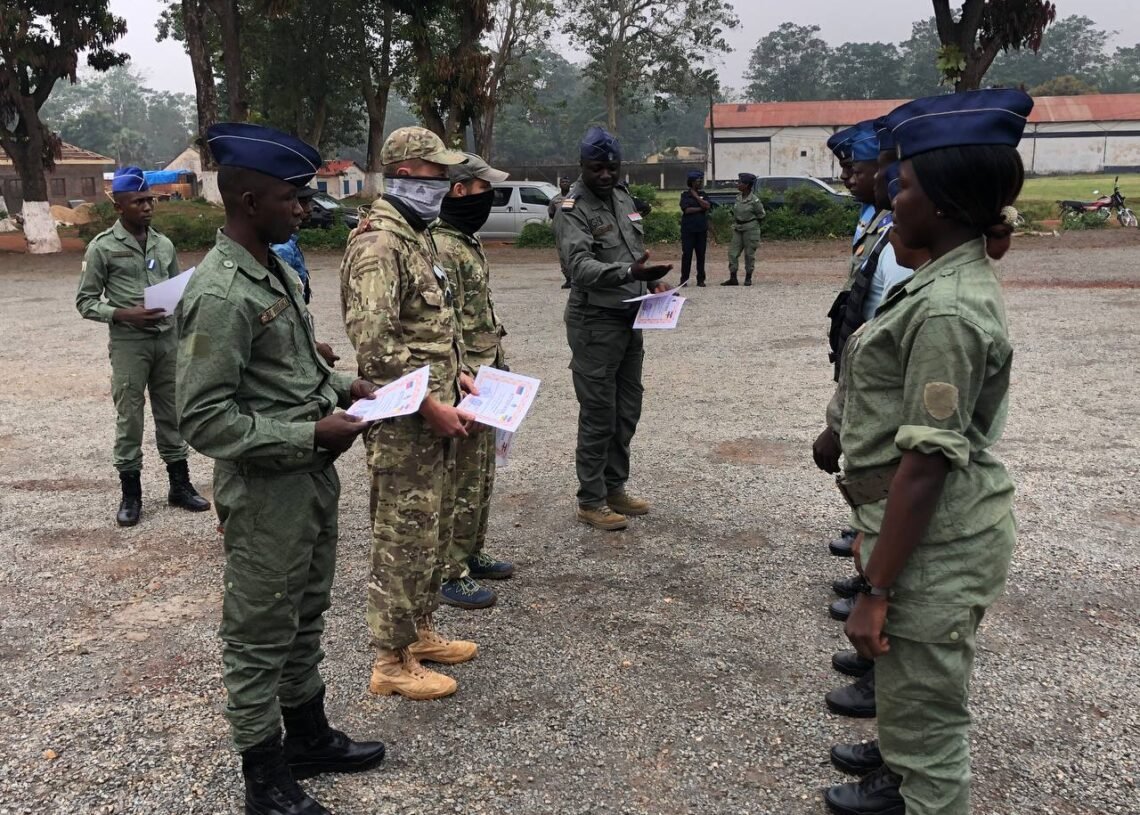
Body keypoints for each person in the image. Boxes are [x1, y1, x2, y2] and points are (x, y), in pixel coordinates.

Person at [822, 88, 1031, 815]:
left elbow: (926, 464)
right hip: (919, 533)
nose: (891, 195)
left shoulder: (947, 307)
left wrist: (874, 591)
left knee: (930, 733)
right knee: (913, 708)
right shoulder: (939, 281)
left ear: (940, 200)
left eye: (903, 184)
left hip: (935, 541)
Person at [175, 122, 386, 815]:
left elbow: (289, 375)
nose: (302, 207)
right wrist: (308, 431)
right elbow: (204, 419)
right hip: (267, 491)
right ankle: (263, 777)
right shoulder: (219, 292)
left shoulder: (272, 267)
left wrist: (343, 390)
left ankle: (308, 736)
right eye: (290, 196)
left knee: (304, 614)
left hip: (308, 479)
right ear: (245, 197)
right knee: (257, 631)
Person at [340, 126, 480, 701]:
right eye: (435, 174)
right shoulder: (379, 245)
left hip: (435, 411)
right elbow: (375, 346)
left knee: (430, 531)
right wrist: (428, 405)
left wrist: (460, 373)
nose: (445, 186)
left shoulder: (416, 237)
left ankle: (418, 634)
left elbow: (427, 328)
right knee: (401, 534)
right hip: (406, 421)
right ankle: (388, 661)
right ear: (403, 175)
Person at [76, 166, 210, 527]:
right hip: (129, 344)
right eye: (138, 201)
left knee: (172, 413)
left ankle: (179, 485)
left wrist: (187, 343)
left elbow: (178, 296)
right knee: (130, 417)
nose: (148, 206)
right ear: (119, 206)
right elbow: (85, 302)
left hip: (166, 340)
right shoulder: (103, 247)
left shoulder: (163, 244)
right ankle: (130, 494)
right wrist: (122, 313)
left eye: (149, 200)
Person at [555, 125, 672, 531]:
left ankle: (614, 485)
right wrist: (628, 271)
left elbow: (634, 251)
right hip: (595, 322)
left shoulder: (622, 196)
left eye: (612, 168)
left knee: (627, 408)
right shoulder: (572, 209)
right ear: (582, 166)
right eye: (597, 168)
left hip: (630, 315)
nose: (605, 175)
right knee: (599, 412)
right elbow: (580, 267)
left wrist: (650, 280)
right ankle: (590, 499)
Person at [433, 153, 516, 610]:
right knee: (461, 474)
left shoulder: (464, 240)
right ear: (460, 190)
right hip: (465, 378)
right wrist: (461, 373)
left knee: (481, 471)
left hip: (486, 373)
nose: (492, 196)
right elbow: (446, 324)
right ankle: (451, 570)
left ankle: (472, 549)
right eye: (486, 188)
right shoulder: (443, 246)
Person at [824, 120, 887, 560]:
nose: (847, 178)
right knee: (861, 441)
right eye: (844, 169)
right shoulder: (870, 213)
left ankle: (875, 542)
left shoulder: (899, 214)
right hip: (858, 337)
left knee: (875, 443)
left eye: (854, 169)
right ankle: (864, 526)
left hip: (881, 346)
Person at [270, 186, 340, 368]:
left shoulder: (290, 242)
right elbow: (284, 313)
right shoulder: (282, 249)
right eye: (302, 202)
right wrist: (313, 347)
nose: (306, 209)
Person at [723, 172, 765, 286]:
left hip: (750, 229)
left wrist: (753, 225)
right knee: (732, 253)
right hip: (738, 228)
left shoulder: (754, 200)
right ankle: (733, 278)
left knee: (749, 254)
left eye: (740, 182)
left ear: (746, 185)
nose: (738, 184)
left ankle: (748, 277)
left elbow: (761, 215)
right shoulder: (738, 198)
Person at [678, 170, 711, 287]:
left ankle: (700, 279)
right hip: (688, 230)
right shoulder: (684, 195)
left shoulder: (703, 193)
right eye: (698, 181)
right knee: (687, 255)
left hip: (701, 230)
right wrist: (701, 208)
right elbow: (686, 210)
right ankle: (684, 279)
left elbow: (707, 206)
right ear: (691, 182)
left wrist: (697, 198)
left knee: (701, 255)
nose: (700, 182)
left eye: (701, 180)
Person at [549, 177, 574, 289]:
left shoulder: (575, 198)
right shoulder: (555, 200)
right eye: (563, 182)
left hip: (573, 230)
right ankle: (568, 278)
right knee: (562, 254)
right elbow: (551, 214)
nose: (565, 184)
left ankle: (577, 277)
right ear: (559, 184)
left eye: (567, 182)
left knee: (574, 252)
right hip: (560, 231)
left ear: (570, 184)